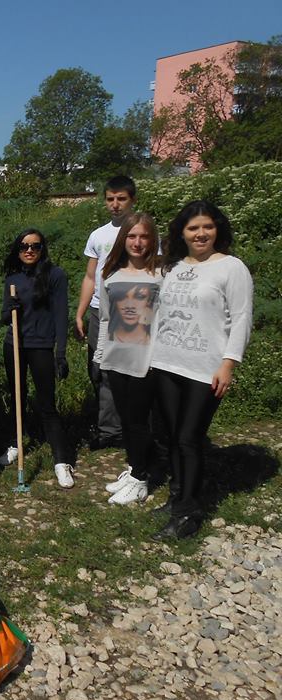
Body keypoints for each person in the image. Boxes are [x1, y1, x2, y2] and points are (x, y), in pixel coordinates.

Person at [149, 201, 253, 540]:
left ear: (217, 229)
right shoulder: (173, 267)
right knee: (172, 436)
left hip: (205, 368)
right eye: (193, 228)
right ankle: (177, 495)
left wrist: (229, 363)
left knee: (188, 438)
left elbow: (241, 318)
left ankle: (188, 513)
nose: (201, 233)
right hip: (166, 362)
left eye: (207, 226)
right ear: (182, 233)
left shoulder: (231, 268)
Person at [94, 213, 163, 506]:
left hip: (145, 361)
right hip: (116, 357)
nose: (137, 242)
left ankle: (140, 479)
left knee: (138, 421)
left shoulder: (161, 275)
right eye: (132, 236)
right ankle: (136, 468)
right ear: (123, 239)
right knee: (126, 419)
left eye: (143, 236)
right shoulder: (110, 274)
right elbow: (105, 318)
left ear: (152, 239)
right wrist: (100, 354)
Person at [0, 229, 74, 489]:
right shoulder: (13, 279)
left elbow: (61, 315)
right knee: (17, 397)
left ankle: (61, 460)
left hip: (41, 346)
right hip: (15, 345)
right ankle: (15, 443)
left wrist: (60, 352)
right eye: (24, 246)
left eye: (35, 246)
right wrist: (10, 309)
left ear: (43, 249)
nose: (29, 250)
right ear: (18, 250)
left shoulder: (55, 275)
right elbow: (4, 317)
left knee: (46, 404)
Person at [75, 176, 137, 449]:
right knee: (98, 369)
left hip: (131, 313)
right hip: (99, 311)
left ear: (132, 200)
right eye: (110, 199)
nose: (115, 204)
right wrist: (80, 312)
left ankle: (131, 427)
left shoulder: (143, 232)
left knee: (130, 372)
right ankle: (108, 429)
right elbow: (91, 276)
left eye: (121, 199)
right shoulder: (98, 235)